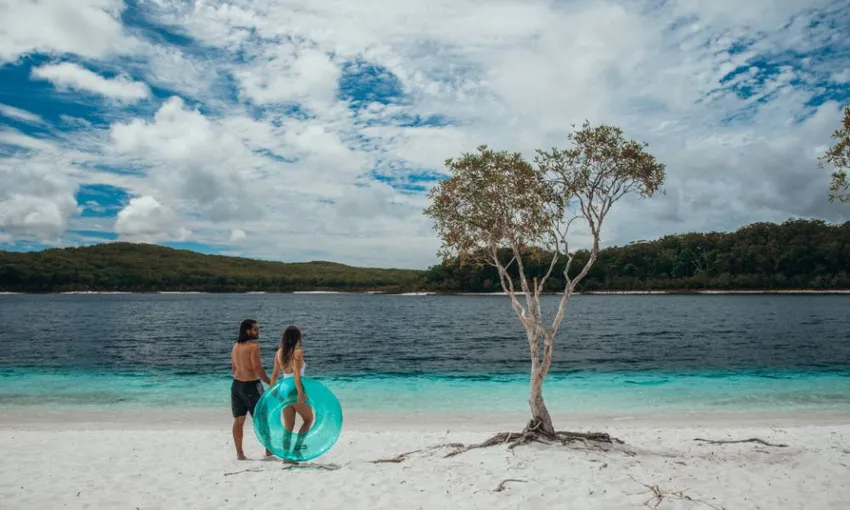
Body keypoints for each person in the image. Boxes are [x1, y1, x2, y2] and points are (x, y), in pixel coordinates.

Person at [230, 318, 272, 460]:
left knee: (239, 419)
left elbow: (233, 367)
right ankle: (268, 450)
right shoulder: (254, 346)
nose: (257, 331)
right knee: (263, 418)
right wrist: (270, 382)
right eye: (255, 329)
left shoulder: (235, 345)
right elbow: (257, 368)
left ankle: (240, 453)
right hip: (252, 385)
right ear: (247, 330)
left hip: (236, 385)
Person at [270, 325, 314, 458]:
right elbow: (296, 373)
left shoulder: (279, 352)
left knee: (288, 426)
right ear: (297, 338)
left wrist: (273, 391)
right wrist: (300, 392)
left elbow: (274, 375)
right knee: (308, 419)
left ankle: (285, 456)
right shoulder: (298, 352)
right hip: (294, 388)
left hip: (283, 389)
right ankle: (296, 450)